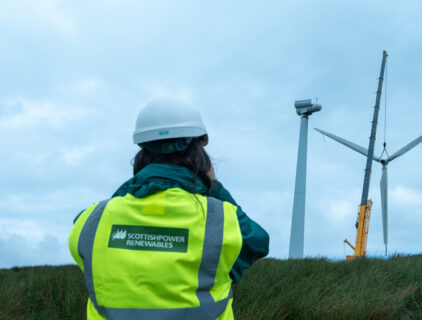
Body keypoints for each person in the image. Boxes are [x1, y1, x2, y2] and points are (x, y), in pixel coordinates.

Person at [68, 98, 270, 320]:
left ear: (141, 154)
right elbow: (257, 242)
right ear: (199, 155)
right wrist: (213, 187)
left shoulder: (91, 220)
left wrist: (134, 188)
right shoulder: (221, 220)